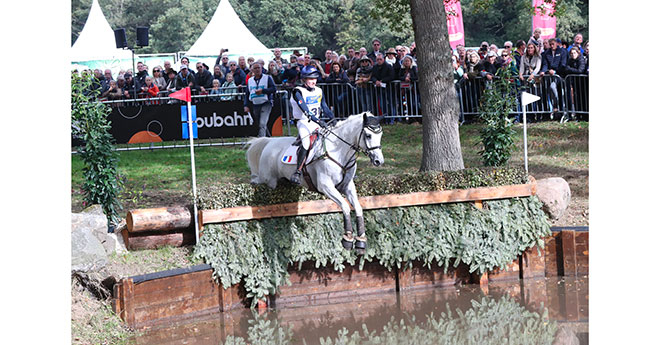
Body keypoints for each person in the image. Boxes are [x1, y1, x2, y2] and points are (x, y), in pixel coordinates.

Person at [288, 65, 335, 185]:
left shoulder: (319, 90)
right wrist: (318, 121)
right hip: (303, 122)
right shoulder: (298, 91)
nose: (313, 81)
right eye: (310, 79)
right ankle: (297, 171)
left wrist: (333, 118)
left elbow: (324, 106)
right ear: (304, 80)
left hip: (316, 122)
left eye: (315, 78)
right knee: (306, 143)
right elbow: (305, 110)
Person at [244, 63, 277, 137]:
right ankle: (268, 138)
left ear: (261, 68)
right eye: (255, 68)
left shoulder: (267, 78)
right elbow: (247, 94)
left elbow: (274, 89)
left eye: (258, 68)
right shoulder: (250, 81)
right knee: (260, 124)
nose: (257, 70)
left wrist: (263, 91)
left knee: (262, 123)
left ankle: (261, 140)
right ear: (252, 70)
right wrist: (246, 105)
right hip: (255, 104)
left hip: (266, 103)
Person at [540, 38, 568, 114]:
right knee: (551, 89)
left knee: (558, 91)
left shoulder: (562, 52)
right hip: (550, 76)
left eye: (553, 44)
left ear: (557, 44)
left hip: (560, 75)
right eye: (550, 44)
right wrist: (543, 71)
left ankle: (561, 109)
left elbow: (563, 64)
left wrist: (555, 71)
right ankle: (555, 107)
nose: (552, 46)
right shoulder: (547, 53)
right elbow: (545, 64)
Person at [372, 53, 396, 119]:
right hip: (379, 89)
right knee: (382, 104)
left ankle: (391, 119)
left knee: (390, 104)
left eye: (380, 59)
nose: (379, 61)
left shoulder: (388, 66)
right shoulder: (375, 67)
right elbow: (372, 76)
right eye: (377, 59)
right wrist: (376, 81)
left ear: (383, 59)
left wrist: (382, 81)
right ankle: (384, 119)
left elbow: (391, 76)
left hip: (388, 88)